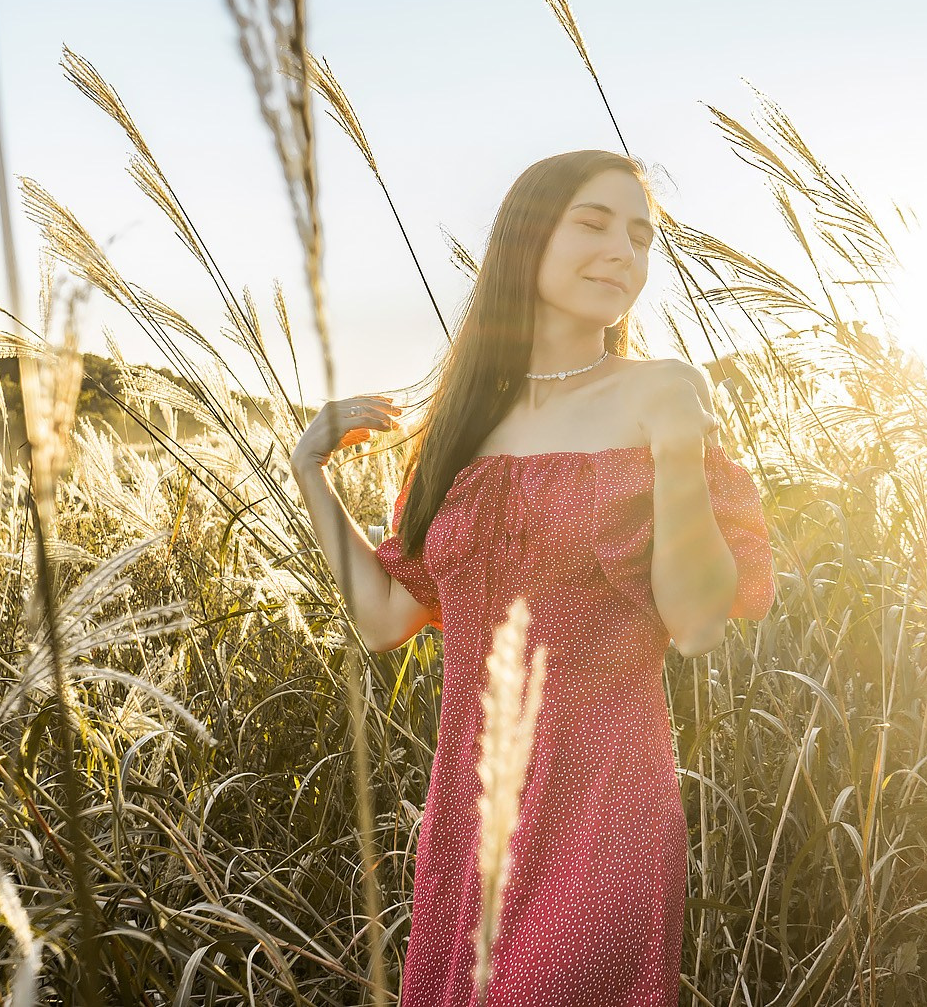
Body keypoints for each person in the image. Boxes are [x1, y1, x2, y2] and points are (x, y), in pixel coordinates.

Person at [289, 148, 777, 1007]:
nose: (623, 251)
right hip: (472, 819)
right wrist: (308, 473)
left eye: (641, 235)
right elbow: (385, 618)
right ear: (526, 237)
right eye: (593, 223)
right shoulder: (468, 423)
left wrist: (674, 444)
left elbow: (697, 622)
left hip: (604, 815)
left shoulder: (659, 391)